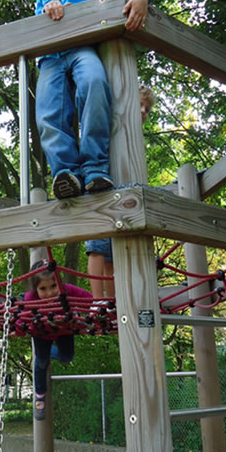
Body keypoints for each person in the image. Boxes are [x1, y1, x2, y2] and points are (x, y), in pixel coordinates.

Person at [12, 0, 151, 200]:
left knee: (94, 84)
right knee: (47, 112)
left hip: (82, 48)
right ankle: (66, 173)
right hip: (51, 58)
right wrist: (48, 10)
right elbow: (40, 24)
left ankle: (95, 166)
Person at [85, 85, 156, 298]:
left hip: (124, 194)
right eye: (139, 105)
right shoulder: (112, 124)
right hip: (100, 186)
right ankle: (98, 300)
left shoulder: (135, 138)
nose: (143, 111)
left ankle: (113, 302)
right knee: (98, 246)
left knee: (112, 256)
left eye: (147, 109)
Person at [21, 261, 92, 420]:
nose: (50, 293)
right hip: (41, 333)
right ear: (35, 289)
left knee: (67, 357)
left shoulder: (67, 290)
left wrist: (86, 316)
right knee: (41, 362)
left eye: (54, 286)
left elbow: (89, 299)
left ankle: (52, 353)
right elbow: (20, 317)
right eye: (43, 289)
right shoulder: (30, 298)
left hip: (64, 329)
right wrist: (20, 327)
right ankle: (40, 395)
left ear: (60, 283)